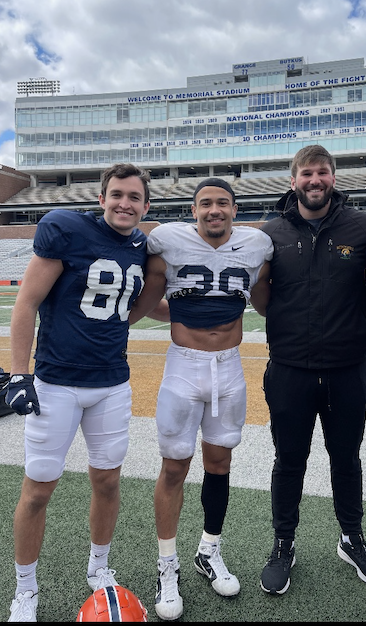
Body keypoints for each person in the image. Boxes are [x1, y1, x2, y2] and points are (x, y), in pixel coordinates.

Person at [6, 163, 151, 623]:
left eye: (134, 197)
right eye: (117, 195)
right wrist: (17, 374)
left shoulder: (141, 245)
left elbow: (133, 307)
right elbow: (26, 302)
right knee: (37, 490)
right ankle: (25, 588)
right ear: (102, 198)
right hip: (56, 383)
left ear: (146, 205)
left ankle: (98, 566)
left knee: (107, 481)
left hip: (112, 384)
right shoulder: (66, 229)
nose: (124, 203)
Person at [128, 177, 273, 621]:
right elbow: (149, 298)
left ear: (234, 209)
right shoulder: (167, 239)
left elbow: (266, 298)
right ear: (194, 210)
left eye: (223, 203)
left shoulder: (257, 243)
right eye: (206, 203)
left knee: (219, 463)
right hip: (184, 366)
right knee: (174, 466)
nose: (215, 210)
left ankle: (209, 550)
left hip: (230, 365)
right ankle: (166, 564)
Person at [250, 144, 366, 596]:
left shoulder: (364, 227)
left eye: (323, 172)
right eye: (307, 173)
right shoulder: (270, 232)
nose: (315, 180)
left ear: (334, 177)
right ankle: (283, 543)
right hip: (290, 367)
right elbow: (261, 297)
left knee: (345, 459)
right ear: (293, 180)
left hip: (348, 367)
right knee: (289, 461)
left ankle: (351, 539)